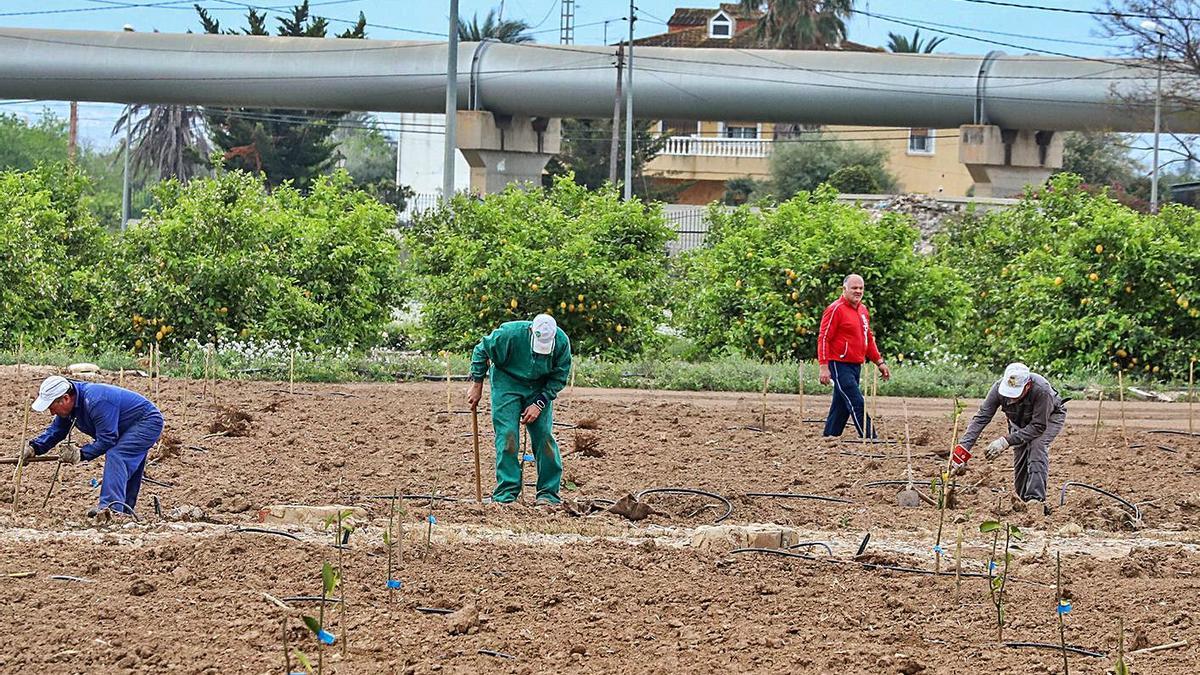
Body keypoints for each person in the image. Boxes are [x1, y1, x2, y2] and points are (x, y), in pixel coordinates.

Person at [466, 313, 572, 505]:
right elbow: (481, 350)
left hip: (539, 387)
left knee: (544, 437)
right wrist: (477, 383)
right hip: (507, 382)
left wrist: (539, 403)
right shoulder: (508, 334)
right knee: (507, 436)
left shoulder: (561, 343)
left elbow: (559, 376)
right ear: (531, 331)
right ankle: (506, 493)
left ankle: (548, 494)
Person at [23, 375, 163, 519]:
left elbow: (108, 439)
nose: (52, 412)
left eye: (52, 407)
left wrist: (81, 454)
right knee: (124, 462)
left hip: (147, 421)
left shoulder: (96, 400)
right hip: (128, 426)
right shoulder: (72, 405)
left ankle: (111, 510)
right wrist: (35, 447)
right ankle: (124, 512)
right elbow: (57, 430)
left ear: (65, 398)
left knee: (118, 455)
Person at [954, 362, 1066, 512]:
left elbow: (1038, 427)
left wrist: (1005, 441)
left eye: (1015, 394)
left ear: (1027, 386)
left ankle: (1036, 500)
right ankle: (1022, 499)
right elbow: (981, 417)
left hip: (1048, 418)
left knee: (1037, 446)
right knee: (1020, 455)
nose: (1011, 399)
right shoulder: (998, 388)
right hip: (1019, 420)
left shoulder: (1041, 390)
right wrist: (961, 451)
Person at [817, 274, 891, 438]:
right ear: (844, 289)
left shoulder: (863, 310)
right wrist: (823, 367)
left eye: (861, 288)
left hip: (855, 365)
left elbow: (868, 338)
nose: (858, 291)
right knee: (856, 401)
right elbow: (824, 338)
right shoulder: (835, 309)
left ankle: (829, 437)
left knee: (841, 405)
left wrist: (879, 362)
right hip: (839, 364)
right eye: (854, 288)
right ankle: (871, 438)